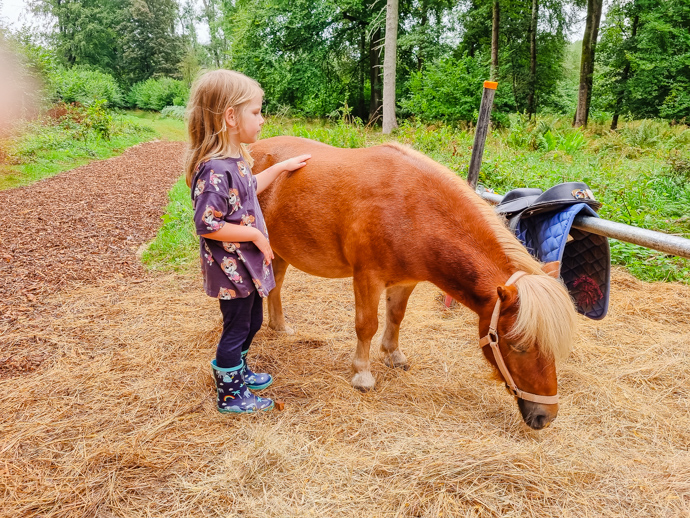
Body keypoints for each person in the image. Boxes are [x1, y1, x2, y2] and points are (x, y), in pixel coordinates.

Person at [185, 70, 310, 413]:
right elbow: (207, 224)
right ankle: (230, 394)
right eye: (255, 112)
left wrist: (282, 167)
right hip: (231, 268)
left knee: (253, 321)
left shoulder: (235, 161)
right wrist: (255, 234)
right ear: (230, 116)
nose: (262, 119)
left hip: (246, 264)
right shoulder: (213, 169)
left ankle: (237, 372)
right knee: (236, 327)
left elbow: (249, 188)